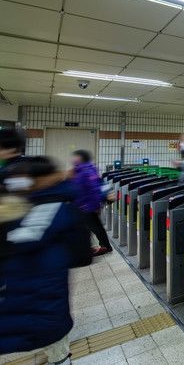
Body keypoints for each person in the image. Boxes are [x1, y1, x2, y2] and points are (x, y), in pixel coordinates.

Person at [0, 157, 91, 365]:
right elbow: (82, 255)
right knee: (56, 346)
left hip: (15, 297)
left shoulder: (10, 207)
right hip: (48, 298)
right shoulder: (66, 209)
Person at [70, 150, 111, 256]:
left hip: (87, 206)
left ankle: (103, 247)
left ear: (81, 158)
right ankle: (104, 246)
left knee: (92, 227)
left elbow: (94, 189)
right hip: (84, 205)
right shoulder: (81, 170)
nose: (73, 159)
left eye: (75, 157)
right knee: (94, 227)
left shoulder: (86, 171)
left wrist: (95, 206)